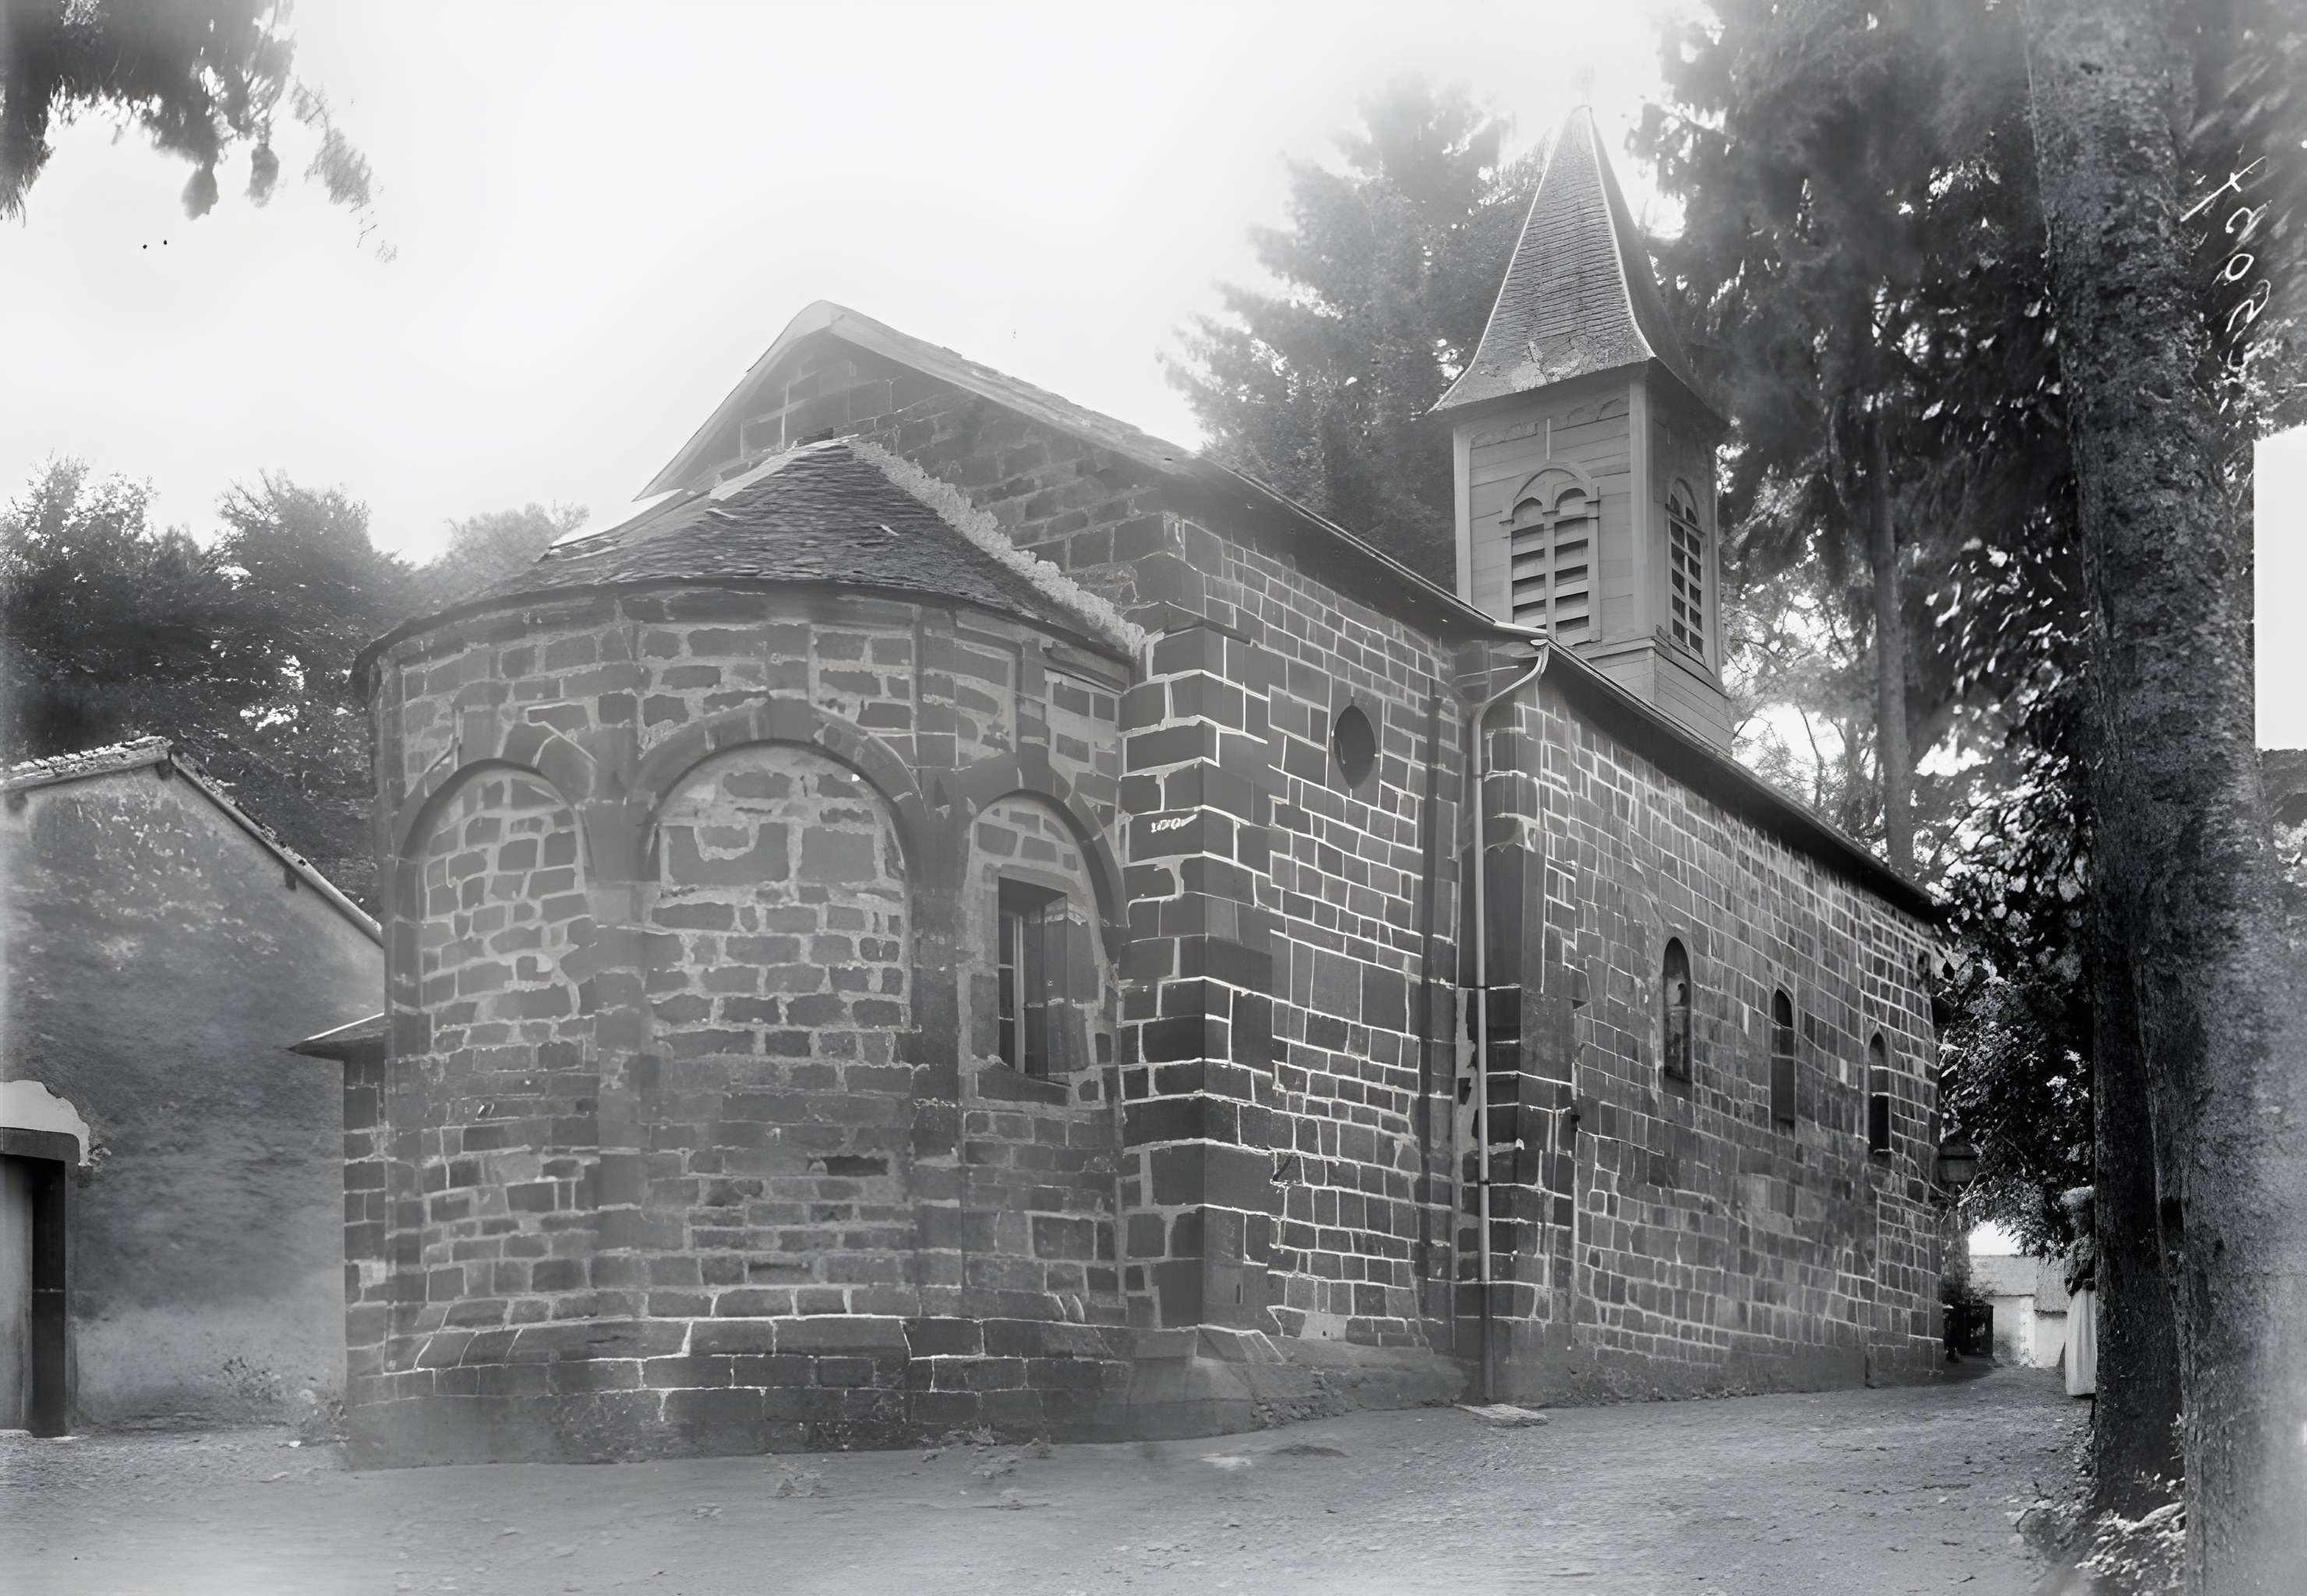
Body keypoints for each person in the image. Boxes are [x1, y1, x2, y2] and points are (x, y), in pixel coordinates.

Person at [2061, 1185, 2097, 1397]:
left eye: (2080, 1214)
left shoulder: (2101, 1242)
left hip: (2094, 1298)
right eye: (2074, 1215)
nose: (2076, 1220)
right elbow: (2068, 1277)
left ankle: (2093, 1382)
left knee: (2092, 1338)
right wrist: (2073, 1283)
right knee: (2080, 1339)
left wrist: (2095, 1280)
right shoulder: (2076, 1247)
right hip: (2079, 1300)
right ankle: (2080, 1383)